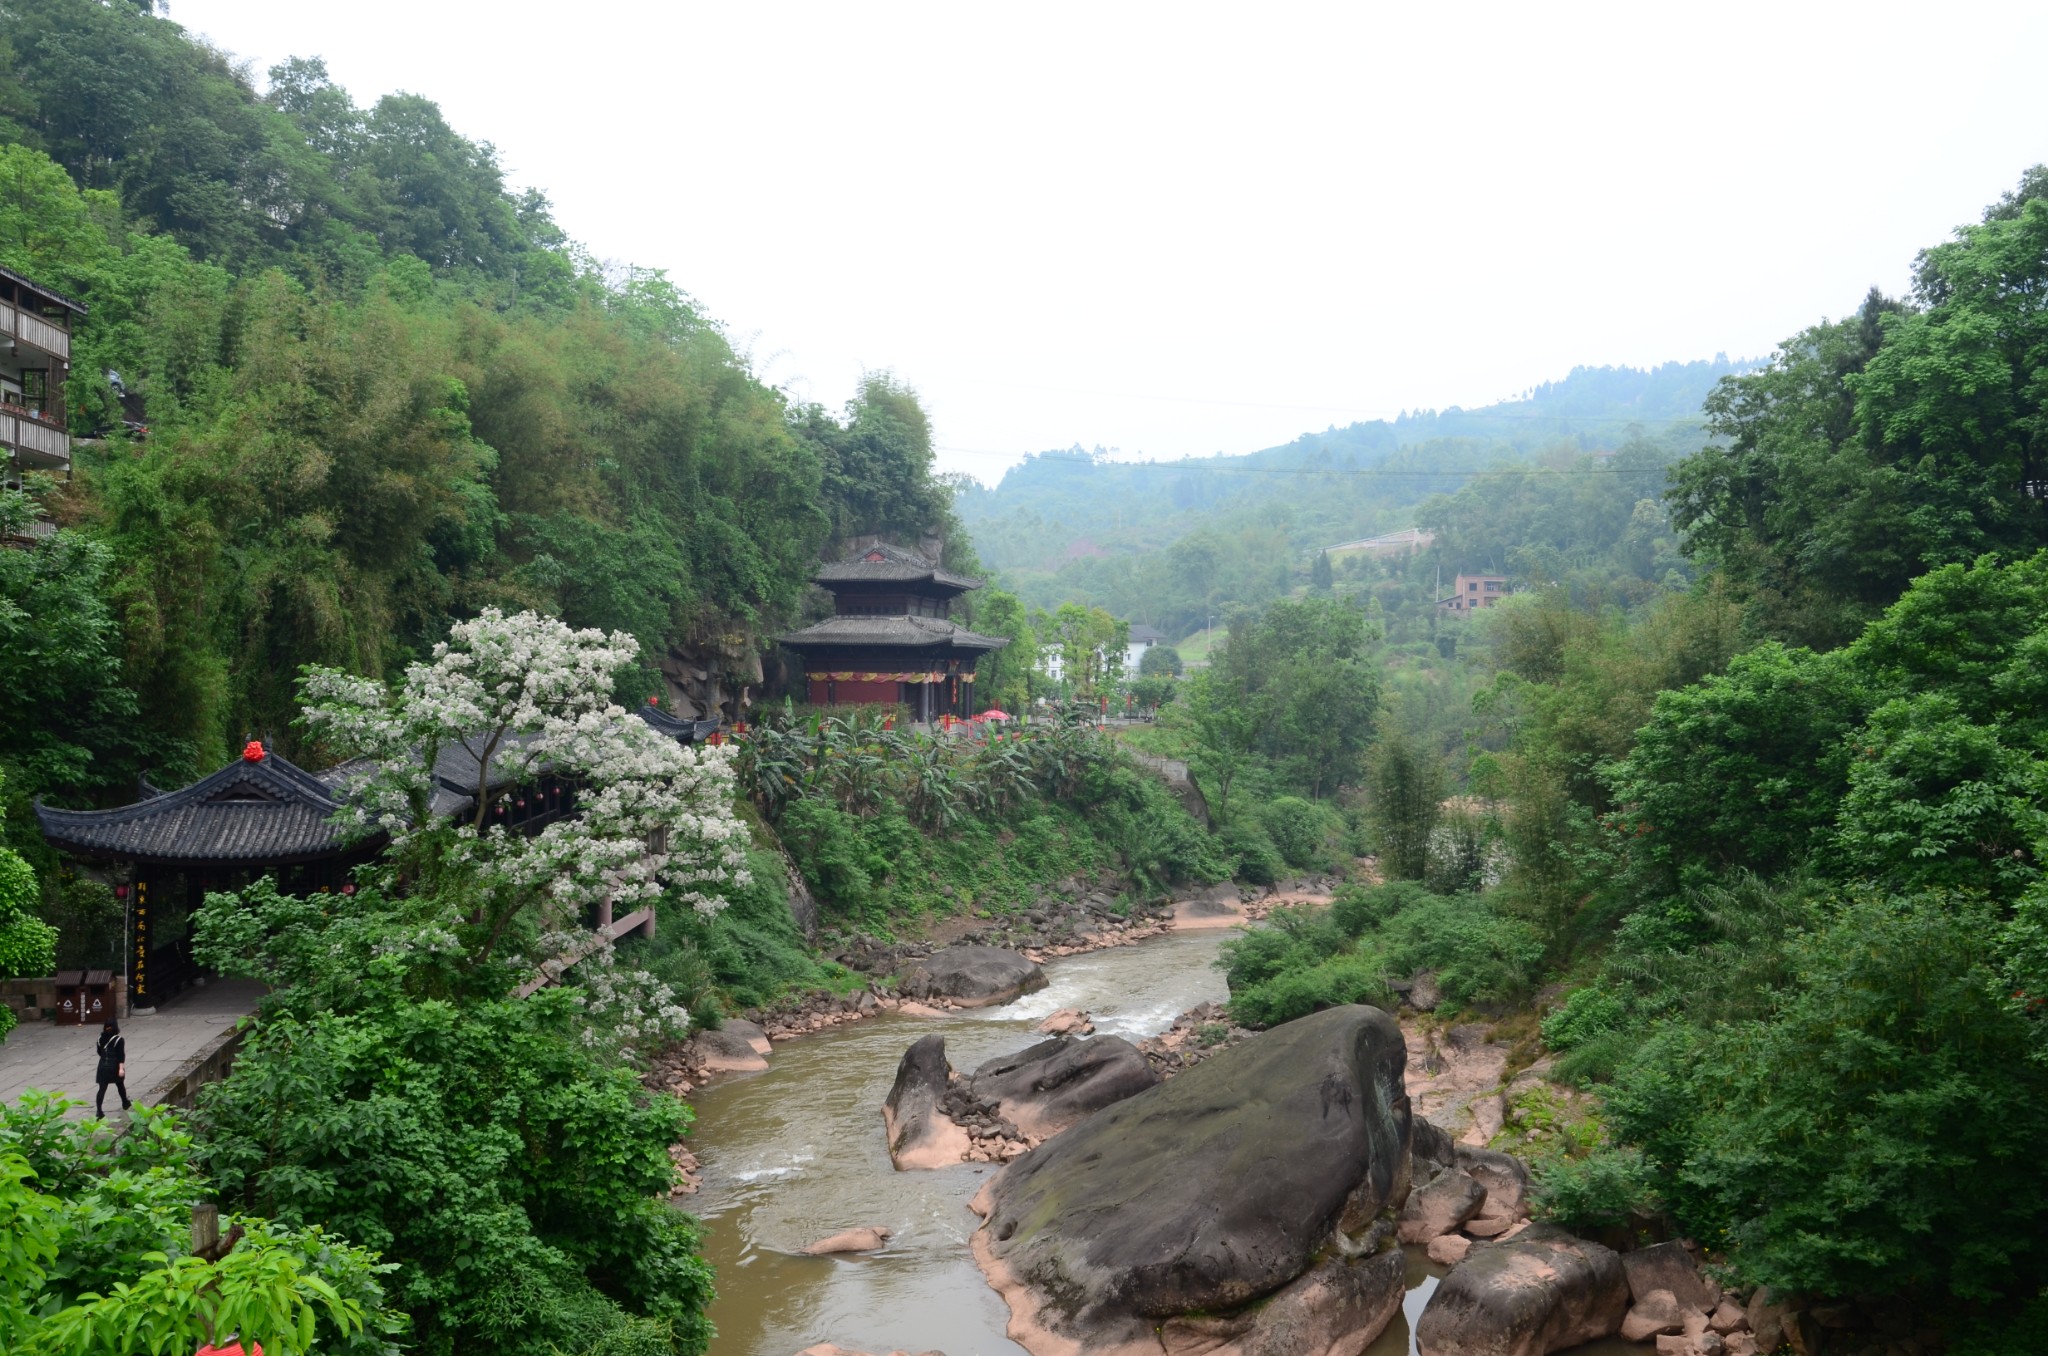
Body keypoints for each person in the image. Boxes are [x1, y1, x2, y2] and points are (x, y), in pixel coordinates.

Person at [95, 1018, 129, 1115]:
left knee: (102, 1089)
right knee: (120, 1085)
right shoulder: (119, 1039)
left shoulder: (99, 1039)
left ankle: (99, 1110)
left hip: (102, 1066)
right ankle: (125, 1102)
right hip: (114, 1066)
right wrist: (121, 1068)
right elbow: (120, 1055)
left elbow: (99, 1052)